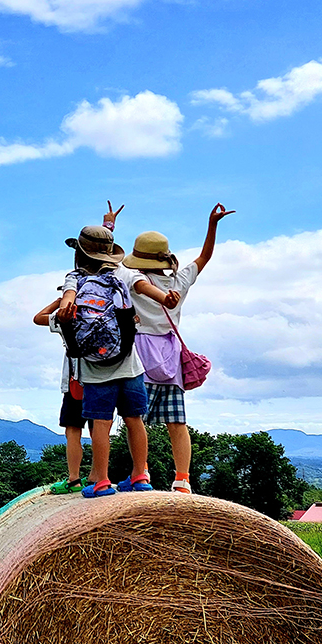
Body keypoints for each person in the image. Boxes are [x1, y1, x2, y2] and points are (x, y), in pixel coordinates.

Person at [35, 210, 177, 498]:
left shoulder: (74, 277)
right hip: (129, 364)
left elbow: (65, 299)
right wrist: (166, 297)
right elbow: (143, 286)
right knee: (134, 420)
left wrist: (66, 303)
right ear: (111, 255)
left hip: (94, 371)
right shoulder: (121, 273)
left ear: (79, 253)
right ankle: (140, 476)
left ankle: (101, 481)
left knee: (101, 424)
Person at [122, 203, 234, 493]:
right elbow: (204, 256)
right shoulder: (179, 280)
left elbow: (126, 277)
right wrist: (213, 225)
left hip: (140, 354)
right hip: (171, 357)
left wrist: (108, 225)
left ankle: (141, 473)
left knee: (135, 420)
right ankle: (182, 479)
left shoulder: (135, 278)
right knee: (177, 422)